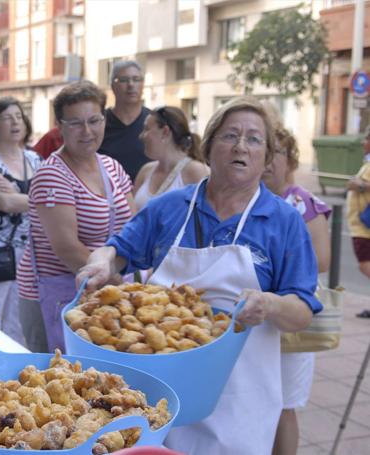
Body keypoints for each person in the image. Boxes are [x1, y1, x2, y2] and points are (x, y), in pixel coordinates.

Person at [77, 97, 321, 455]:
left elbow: (302, 311)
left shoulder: (283, 222)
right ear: (208, 147)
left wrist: (268, 303)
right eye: (230, 136)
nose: (240, 146)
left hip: (241, 394)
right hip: (161, 392)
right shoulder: (169, 208)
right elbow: (116, 251)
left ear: (268, 158)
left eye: (254, 139)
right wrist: (101, 262)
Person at [16, 80, 135, 353]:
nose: (87, 131)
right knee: (57, 378)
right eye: (75, 123)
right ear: (60, 127)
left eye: (94, 120)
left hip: (103, 289)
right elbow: (67, 249)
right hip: (58, 295)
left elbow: (133, 228)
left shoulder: (111, 166)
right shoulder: (52, 175)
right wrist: (119, 285)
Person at [263, 125, 331, 455]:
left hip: (290, 314)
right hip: (258, 316)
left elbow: (321, 260)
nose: (268, 161)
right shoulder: (250, 201)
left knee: (284, 403)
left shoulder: (303, 203)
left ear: (290, 159)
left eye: (276, 152)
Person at [0, 97, 41, 344]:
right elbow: (6, 204)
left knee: (19, 316)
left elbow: (47, 202)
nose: (15, 122)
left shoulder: (35, 160)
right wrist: (35, 198)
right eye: (7, 117)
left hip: (30, 249)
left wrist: (20, 194)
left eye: (19, 116)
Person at [133, 106, 209, 211]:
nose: (141, 136)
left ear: (165, 132)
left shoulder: (196, 171)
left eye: (146, 129)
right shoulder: (145, 171)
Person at [98, 60, 151, 181]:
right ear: (112, 85)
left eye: (137, 79)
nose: (131, 85)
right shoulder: (98, 123)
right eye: (123, 80)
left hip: (146, 196)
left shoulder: (155, 122)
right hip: (107, 195)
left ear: (143, 85)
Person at [346, 125, 370, 318]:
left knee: (365, 265)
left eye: (366, 139)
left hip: (364, 227)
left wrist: (360, 185)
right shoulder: (367, 162)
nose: (363, 142)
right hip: (361, 226)